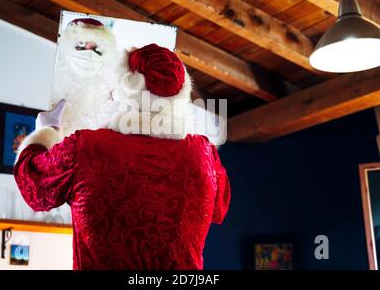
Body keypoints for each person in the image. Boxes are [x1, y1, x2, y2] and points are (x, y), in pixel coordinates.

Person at [14, 28, 231, 269]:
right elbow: (219, 209)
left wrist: (46, 132)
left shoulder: (86, 146)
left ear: (124, 88)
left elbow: (33, 186)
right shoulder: (204, 153)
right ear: (180, 95)